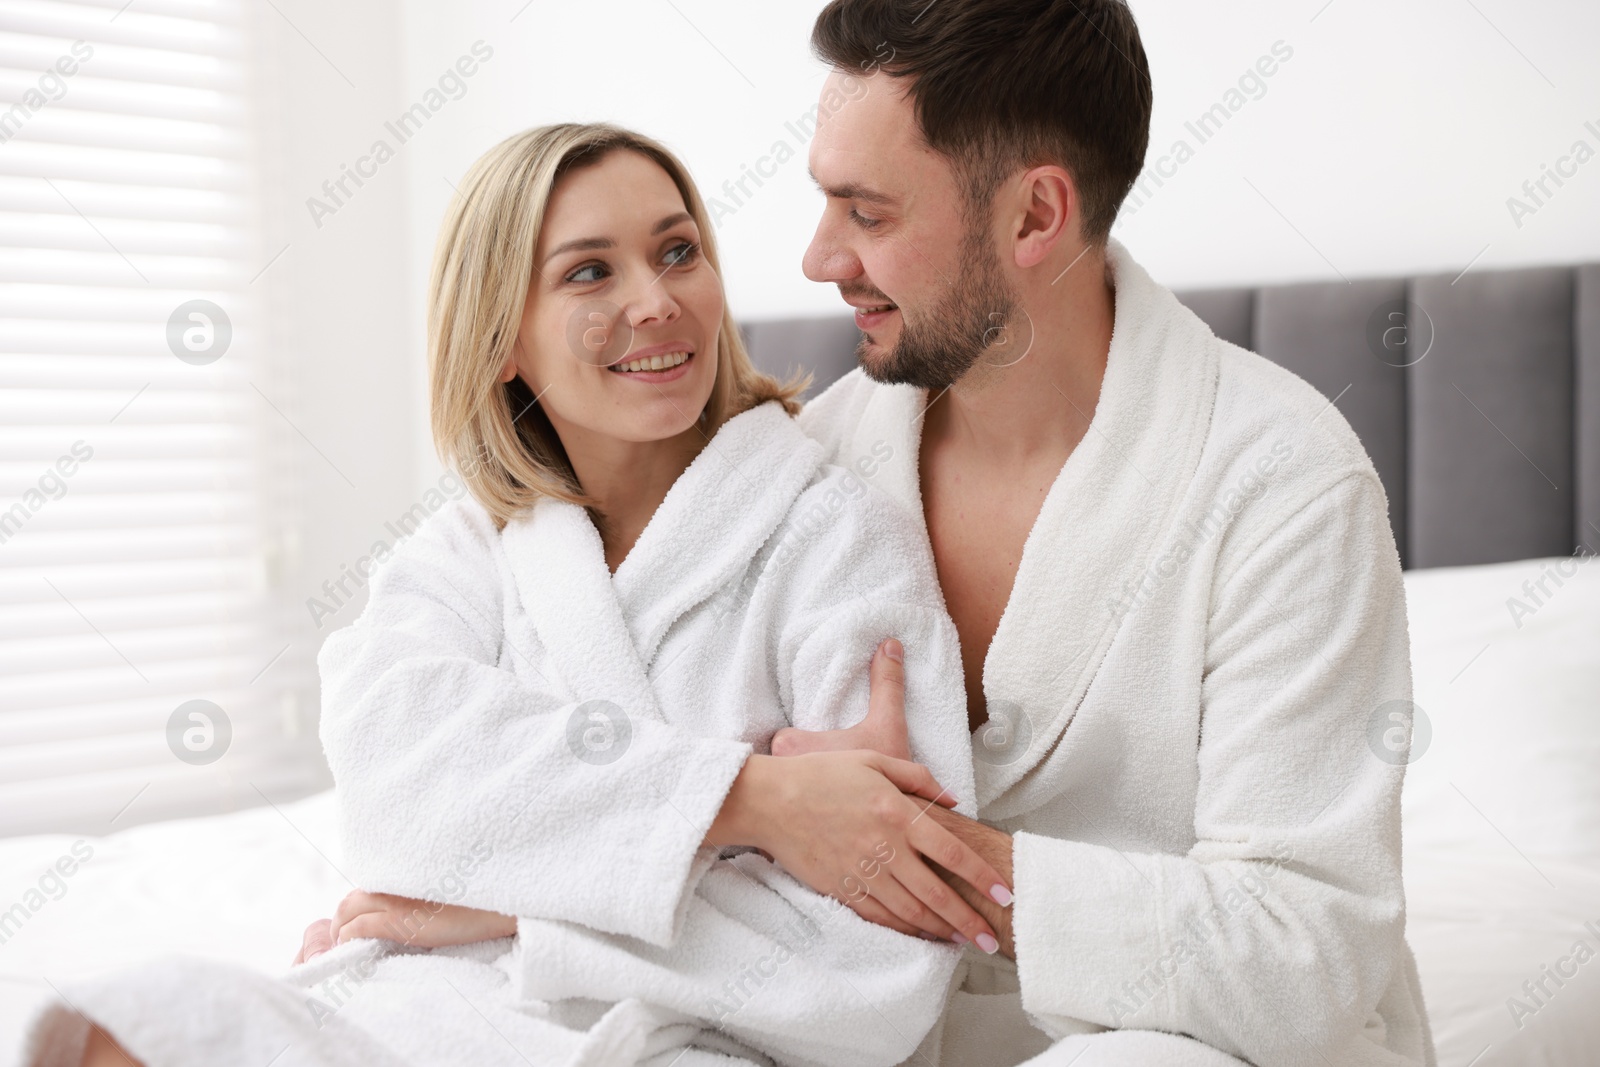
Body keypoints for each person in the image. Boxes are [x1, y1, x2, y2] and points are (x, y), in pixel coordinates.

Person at [36, 122, 1008, 1067]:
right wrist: (749, 800)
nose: (657, 300)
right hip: (435, 1001)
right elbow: (392, 783)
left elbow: (879, 965)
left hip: (684, 1038)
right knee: (139, 1018)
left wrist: (511, 909)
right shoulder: (472, 549)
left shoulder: (834, 536)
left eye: (678, 251)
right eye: (590, 271)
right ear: (501, 338)